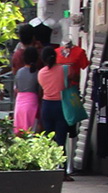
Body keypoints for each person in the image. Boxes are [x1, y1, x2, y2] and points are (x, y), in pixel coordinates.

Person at [37, 46, 70, 177]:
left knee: (49, 140)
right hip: (60, 106)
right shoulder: (64, 69)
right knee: (61, 140)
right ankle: (63, 171)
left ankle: (49, 170)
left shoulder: (41, 73)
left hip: (46, 106)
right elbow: (70, 81)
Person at [13, 46, 42, 134]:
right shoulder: (37, 73)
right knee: (31, 130)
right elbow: (40, 90)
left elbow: (16, 89)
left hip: (19, 101)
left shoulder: (19, 72)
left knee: (18, 130)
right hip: (32, 101)